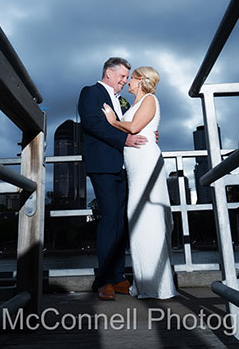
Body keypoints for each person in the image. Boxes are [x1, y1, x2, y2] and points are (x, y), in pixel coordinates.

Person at [102, 66, 178, 299]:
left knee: (149, 217)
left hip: (145, 161)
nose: (128, 82)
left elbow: (134, 127)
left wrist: (113, 121)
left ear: (141, 81)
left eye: (131, 78)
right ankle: (144, 281)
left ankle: (158, 284)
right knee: (138, 217)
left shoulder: (150, 99)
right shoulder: (135, 103)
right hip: (135, 166)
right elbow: (138, 125)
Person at [78, 57, 147, 301]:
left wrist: (146, 131)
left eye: (127, 78)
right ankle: (104, 280)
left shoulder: (121, 101)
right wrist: (124, 140)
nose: (125, 81)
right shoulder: (90, 92)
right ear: (109, 72)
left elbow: (127, 126)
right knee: (109, 220)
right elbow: (92, 124)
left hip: (122, 166)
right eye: (122, 77)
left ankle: (117, 277)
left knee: (120, 222)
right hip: (103, 166)